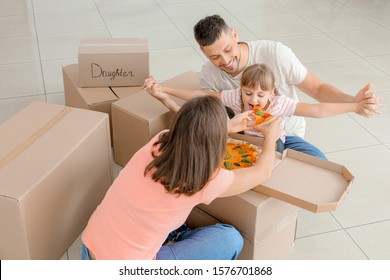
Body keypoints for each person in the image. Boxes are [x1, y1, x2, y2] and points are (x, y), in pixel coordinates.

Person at [81, 94, 282, 260]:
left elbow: (192, 135)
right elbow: (263, 172)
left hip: (89, 250)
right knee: (230, 239)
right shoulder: (207, 179)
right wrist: (271, 137)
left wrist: (224, 127)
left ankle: (172, 238)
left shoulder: (159, 142)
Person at [191, 14, 382, 159]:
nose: (225, 61)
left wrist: (353, 102)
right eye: (214, 57)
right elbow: (206, 107)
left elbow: (317, 89)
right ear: (202, 52)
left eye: (227, 49)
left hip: (286, 135)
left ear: (234, 34)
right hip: (244, 137)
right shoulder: (209, 75)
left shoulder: (275, 54)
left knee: (318, 163)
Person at [144, 63, 380, 157]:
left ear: (271, 93)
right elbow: (202, 96)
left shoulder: (280, 103)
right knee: (216, 115)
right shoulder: (235, 96)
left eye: (261, 95)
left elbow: (318, 110)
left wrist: (354, 106)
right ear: (241, 89)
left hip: (272, 143)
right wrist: (165, 89)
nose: (253, 100)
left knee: (305, 157)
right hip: (239, 139)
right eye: (248, 93)